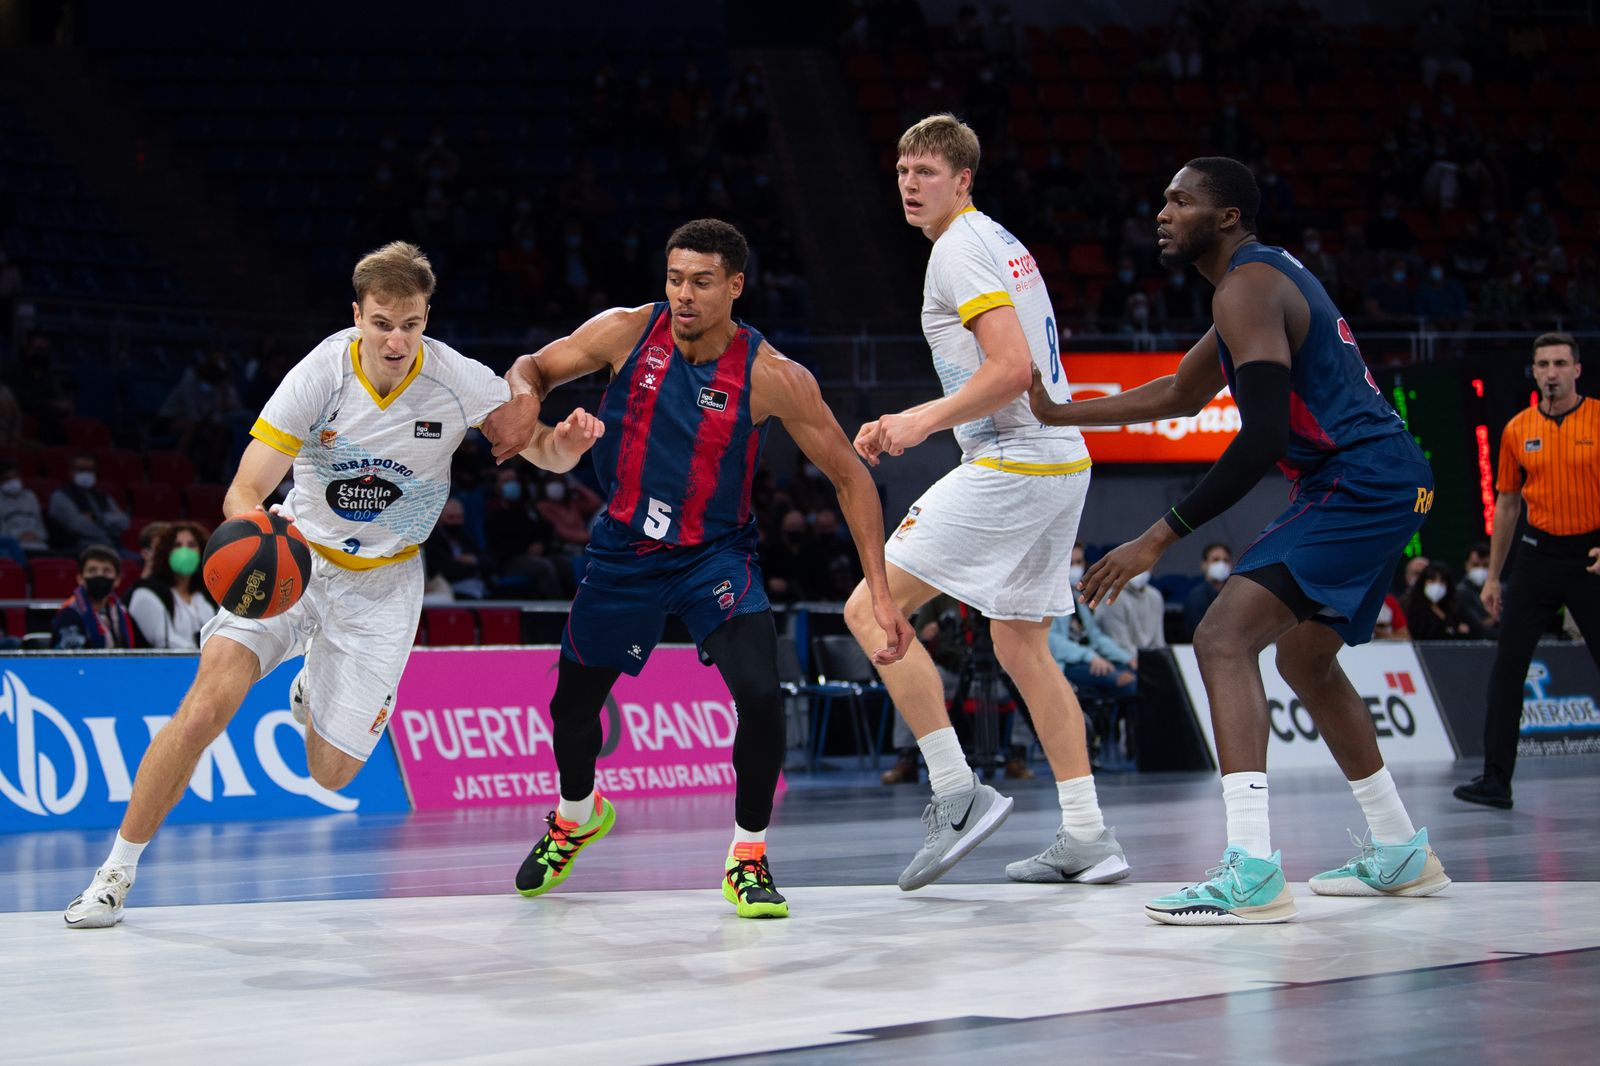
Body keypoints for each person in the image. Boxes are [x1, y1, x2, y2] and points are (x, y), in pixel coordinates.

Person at [62, 241, 598, 929]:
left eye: (408, 322)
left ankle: (309, 692)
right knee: (203, 708)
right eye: (381, 322)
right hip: (296, 559)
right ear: (358, 315)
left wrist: (569, 447)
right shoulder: (322, 371)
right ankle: (115, 874)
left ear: (426, 318)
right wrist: (259, 542)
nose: (396, 339)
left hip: (383, 584)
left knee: (333, 774)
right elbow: (245, 491)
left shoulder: (459, 380)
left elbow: (540, 447)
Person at [1029, 157, 1448, 924]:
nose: (1162, 211)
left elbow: (1257, 441)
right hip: (1385, 477)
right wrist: (1058, 415)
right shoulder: (1249, 287)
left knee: (1223, 636)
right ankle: (1399, 849)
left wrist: (1157, 537)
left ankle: (1250, 868)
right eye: (1162, 199)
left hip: (1358, 478)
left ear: (1227, 218)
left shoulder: (1246, 287)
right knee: (1303, 657)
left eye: (1180, 201)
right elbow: (1182, 394)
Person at [484, 219, 912, 919]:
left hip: (714, 556)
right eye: (676, 279)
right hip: (623, 553)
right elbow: (532, 364)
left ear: (735, 286)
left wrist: (880, 591)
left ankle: (748, 855)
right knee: (571, 707)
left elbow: (851, 479)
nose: (684, 295)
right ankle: (576, 814)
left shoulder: (772, 376)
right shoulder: (626, 332)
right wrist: (527, 399)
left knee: (762, 693)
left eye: (702, 282)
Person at [845, 114, 1129, 893]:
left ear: (963, 179)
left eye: (927, 171)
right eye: (902, 170)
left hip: (1016, 460)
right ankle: (1087, 835)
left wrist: (916, 421)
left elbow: (1010, 369)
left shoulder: (957, 250)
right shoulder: (1001, 241)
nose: (909, 183)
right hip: (1061, 463)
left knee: (870, 611)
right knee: (1020, 647)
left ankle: (955, 791)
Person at [1455, 333, 1600, 810]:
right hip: (1537, 556)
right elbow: (1509, 503)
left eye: (1560, 362)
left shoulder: (1598, 418)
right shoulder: (1518, 429)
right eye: (1543, 364)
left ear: (1577, 369)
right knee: (1508, 666)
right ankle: (1496, 780)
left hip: (1590, 556)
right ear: (1534, 372)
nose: (1552, 372)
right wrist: (1495, 575)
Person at [1050, 543, 1137, 701]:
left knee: (1139, 675)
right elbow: (1054, 643)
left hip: (1092, 660)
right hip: (1066, 665)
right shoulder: (1047, 600)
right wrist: (1091, 657)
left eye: (1079, 562)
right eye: (1070, 563)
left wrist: (1127, 658)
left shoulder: (1077, 597)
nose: (1075, 568)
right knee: (1128, 683)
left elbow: (1096, 637)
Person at [126, 521, 218, 649]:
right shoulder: (145, 592)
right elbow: (163, 641)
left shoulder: (208, 593)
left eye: (191, 545)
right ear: (165, 552)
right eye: (177, 545)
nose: (184, 551)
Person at [51, 544, 139, 649]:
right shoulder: (69, 613)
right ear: (80, 578)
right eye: (92, 571)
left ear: (117, 580)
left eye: (106, 571)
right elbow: (71, 658)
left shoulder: (120, 611)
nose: (99, 575)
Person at [48, 454, 130, 553]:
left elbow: (124, 522)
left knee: (139, 561)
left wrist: (96, 517)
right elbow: (79, 526)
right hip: (79, 549)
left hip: (111, 547)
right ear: (70, 472)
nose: (86, 473)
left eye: (90, 470)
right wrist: (109, 526)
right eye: (81, 470)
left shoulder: (102, 496)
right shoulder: (61, 497)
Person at [1095, 566, 1166, 655]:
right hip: (1119, 660)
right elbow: (1121, 645)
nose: (1141, 570)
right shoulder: (1113, 597)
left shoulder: (1155, 596)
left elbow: (1159, 642)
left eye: (1146, 565)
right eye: (1137, 564)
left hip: (1148, 660)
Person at [1401, 563, 1477, 640]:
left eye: (1442, 582)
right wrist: (1454, 629)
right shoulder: (1412, 607)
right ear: (1423, 583)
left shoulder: (1453, 606)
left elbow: (1472, 629)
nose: (1437, 586)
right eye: (1432, 581)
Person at [0, 460, 50, 562]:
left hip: (37, 543)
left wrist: (36, 535)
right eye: (7, 478)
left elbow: (41, 527)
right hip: (12, 546)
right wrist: (18, 536)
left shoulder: (31, 496)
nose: (12, 481)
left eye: (15, 477)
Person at [1183, 542, 1233, 639]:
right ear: (1204, 565)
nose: (1221, 564)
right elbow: (1197, 632)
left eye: (1226, 560)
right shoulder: (1195, 597)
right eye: (1215, 560)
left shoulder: (1237, 593)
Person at [1454, 542, 1498, 639]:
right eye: (1475, 565)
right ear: (1466, 565)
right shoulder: (1460, 592)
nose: (1481, 569)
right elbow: (1477, 625)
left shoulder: (1500, 589)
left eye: (1486, 565)